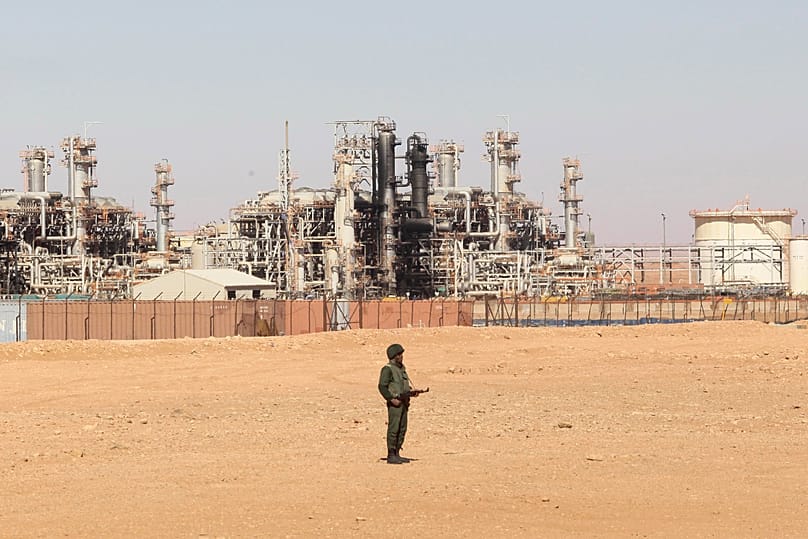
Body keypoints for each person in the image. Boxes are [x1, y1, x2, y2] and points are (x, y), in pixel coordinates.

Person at [377, 343, 419, 464]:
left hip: (404, 402)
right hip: (395, 403)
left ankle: (397, 452)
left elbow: (402, 385)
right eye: (400, 354)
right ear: (394, 356)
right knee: (394, 428)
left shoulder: (401, 369)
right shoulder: (387, 369)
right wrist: (391, 399)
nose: (402, 356)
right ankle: (391, 454)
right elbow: (382, 386)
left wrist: (412, 392)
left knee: (402, 428)